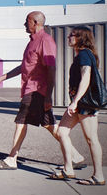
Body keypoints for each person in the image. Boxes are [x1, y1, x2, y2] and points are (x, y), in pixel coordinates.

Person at [0, 11, 84, 170]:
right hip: (31, 89)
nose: (25, 24)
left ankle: (12, 159)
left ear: (35, 22)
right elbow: (24, 66)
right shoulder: (32, 42)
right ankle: (75, 156)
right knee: (49, 125)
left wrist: (48, 96)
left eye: (27, 21)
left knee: (21, 122)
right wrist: (2, 78)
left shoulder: (45, 41)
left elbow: (51, 69)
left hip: (37, 91)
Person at [49, 26, 105, 185]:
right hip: (78, 103)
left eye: (72, 35)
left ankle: (98, 176)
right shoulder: (81, 55)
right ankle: (68, 169)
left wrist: (75, 101)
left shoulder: (85, 55)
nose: (68, 38)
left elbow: (86, 77)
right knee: (61, 132)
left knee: (91, 139)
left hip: (85, 104)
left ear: (81, 38)